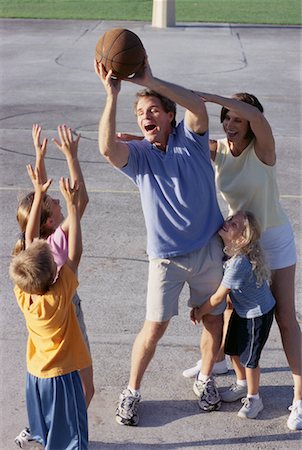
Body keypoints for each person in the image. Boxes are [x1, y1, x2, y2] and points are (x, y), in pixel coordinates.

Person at [94, 56, 227, 426]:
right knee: (153, 328)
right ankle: (131, 391)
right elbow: (107, 149)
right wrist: (113, 95)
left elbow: (198, 106)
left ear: (170, 116)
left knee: (214, 321)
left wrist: (150, 79)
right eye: (140, 113)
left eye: (153, 110)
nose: (145, 116)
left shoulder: (193, 140)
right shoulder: (137, 156)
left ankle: (206, 379)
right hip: (166, 259)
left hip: (207, 251)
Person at [185, 91, 302, 430]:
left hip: (274, 239)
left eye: (238, 118)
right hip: (239, 240)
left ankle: (299, 400)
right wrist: (143, 142)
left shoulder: (263, 149)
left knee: (284, 316)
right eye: (226, 117)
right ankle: (222, 363)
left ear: (251, 123)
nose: (230, 123)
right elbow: (181, 150)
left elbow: (259, 119)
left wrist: (206, 96)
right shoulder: (219, 149)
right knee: (235, 306)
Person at [14, 124, 94, 448]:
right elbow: (76, 246)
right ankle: (62, 432)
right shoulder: (58, 251)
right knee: (86, 388)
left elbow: (37, 215)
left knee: (75, 389)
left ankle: (44, 429)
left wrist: (40, 158)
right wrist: (72, 158)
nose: (58, 204)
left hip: (40, 359)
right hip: (66, 317)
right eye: (55, 206)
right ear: (50, 221)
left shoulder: (25, 272)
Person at [191, 211, 275, 419]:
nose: (227, 223)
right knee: (234, 350)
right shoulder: (229, 252)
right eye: (230, 219)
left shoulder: (239, 262)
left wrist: (200, 311)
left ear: (243, 238)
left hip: (257, 315)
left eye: (234, 224)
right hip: (243, 311)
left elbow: (219, 297)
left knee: (250, 359)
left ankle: (255, 399)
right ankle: (241, 385)